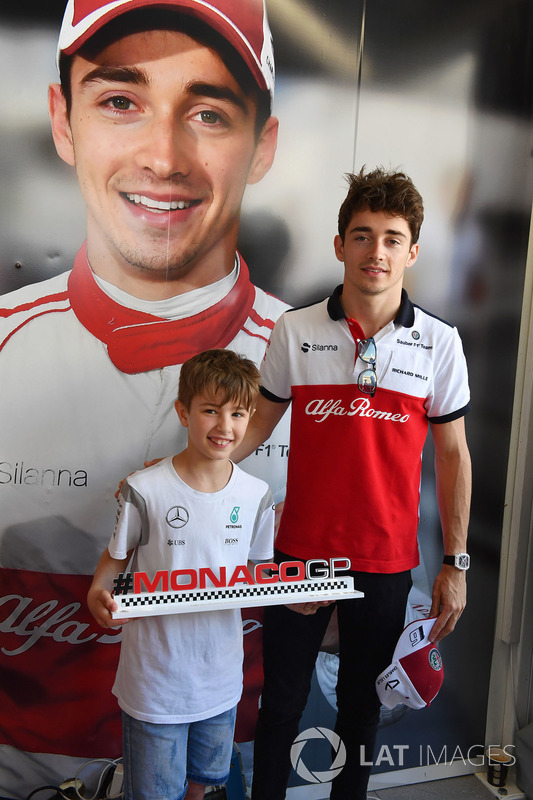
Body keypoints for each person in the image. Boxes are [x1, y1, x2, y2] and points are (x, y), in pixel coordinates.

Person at [0, 0, 290, 794]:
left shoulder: (315, 363)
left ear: (262, 145)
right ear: (63, 121)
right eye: (120, 101)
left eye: (207, 112)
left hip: (212, 731)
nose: (163, 157)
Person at [232, 167, 472, 800]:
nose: (377, 251)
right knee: (280, 705)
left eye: (392, 238)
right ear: (339, 245)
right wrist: (174, 479)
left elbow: (454, 456)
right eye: (362, 236)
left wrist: (456, 562)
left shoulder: (441, 344)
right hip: (300, 552)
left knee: (360, 714)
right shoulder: (296, 329)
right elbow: (252, 429)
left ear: (412, 251)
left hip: (387, 559)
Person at [87, 349, 274, 800]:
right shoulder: (145, 488)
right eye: (210, 410)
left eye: (238, 413)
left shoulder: (257, 495)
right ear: (183, 412)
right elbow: (115, 560)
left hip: (221, 677)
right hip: (155, 680)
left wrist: (296, 596)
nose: (224, 427)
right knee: (153, 793)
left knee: (203, 786)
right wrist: (98, 591)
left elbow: (262, 574)